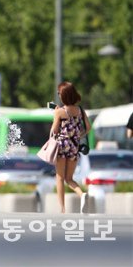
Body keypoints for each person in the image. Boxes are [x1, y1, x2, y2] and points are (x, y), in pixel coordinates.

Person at [51, 81, 91, 214]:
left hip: (62, 146)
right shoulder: (80, 110)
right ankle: (82, 194)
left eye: (59, 93)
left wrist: (55, 114)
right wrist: (78, 136)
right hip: (74, 147)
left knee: (60, 178)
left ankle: (62, 209)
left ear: (64, 95)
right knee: (69, 178)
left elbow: (54, 131)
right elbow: (88, 127)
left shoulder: (60, 112)